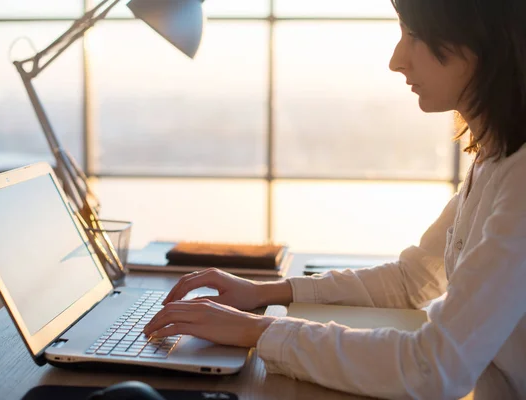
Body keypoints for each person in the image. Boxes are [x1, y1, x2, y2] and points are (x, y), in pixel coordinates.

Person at [144, 0, 526, 398]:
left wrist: (257, 330)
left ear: (481, 40)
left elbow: (432, 367)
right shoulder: (495, 157)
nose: (397, 61)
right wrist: (264, 293)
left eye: (414, 35)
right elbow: (415, 281)